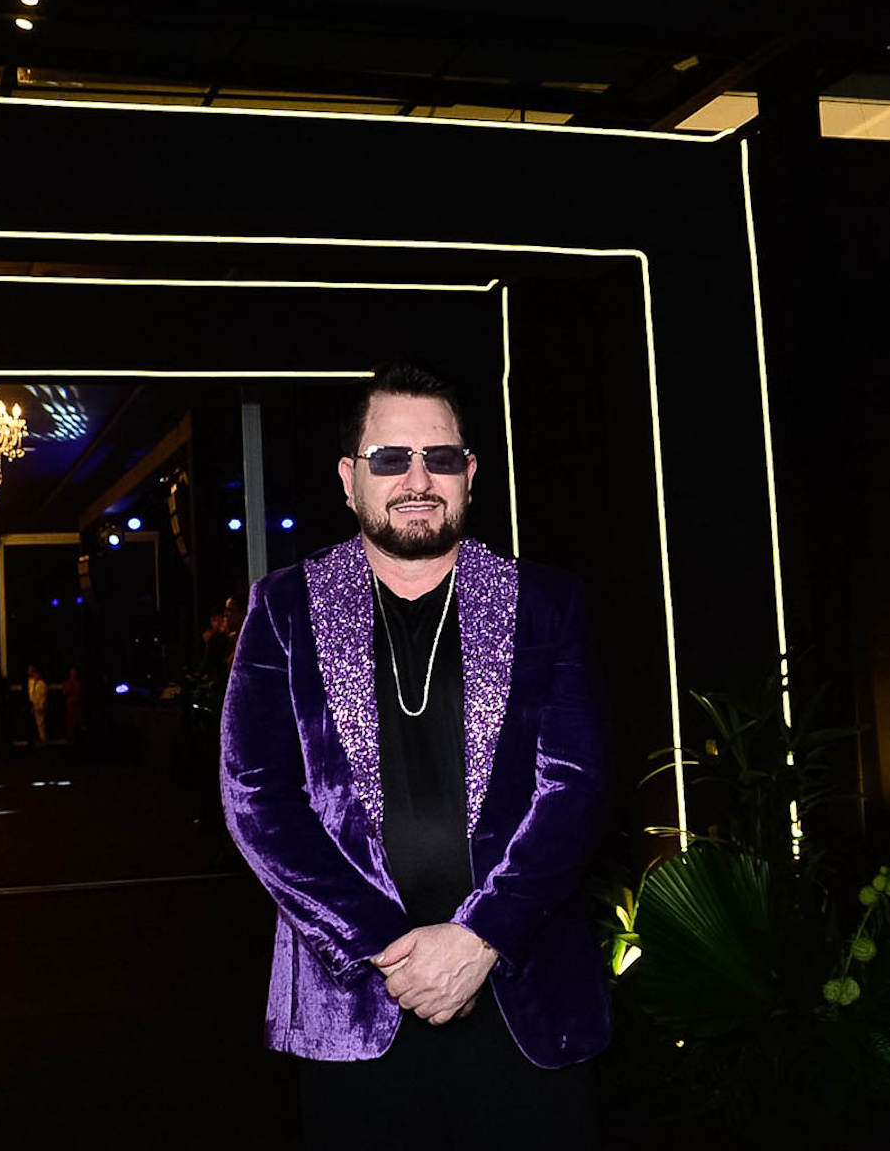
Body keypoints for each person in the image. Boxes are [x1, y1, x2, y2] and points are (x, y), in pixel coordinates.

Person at [220, 362, 609, 1150]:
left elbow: (575, 787)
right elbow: (257, 795)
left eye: (441, 457)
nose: (418, 479)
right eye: (391, 458)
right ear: (349, 478)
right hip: (356, 998)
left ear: (471, 473)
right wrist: (389, 949)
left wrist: (479, 937)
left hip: (523, 990)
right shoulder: (285, 606)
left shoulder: (545, 600)